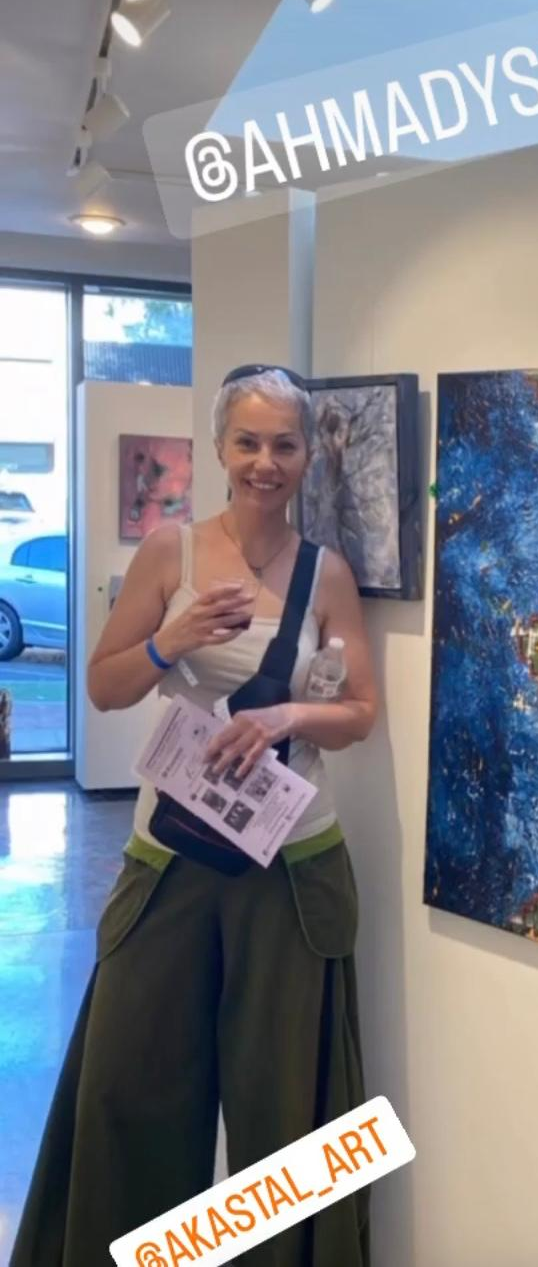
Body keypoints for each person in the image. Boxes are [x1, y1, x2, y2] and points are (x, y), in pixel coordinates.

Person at [11, 364, 378, 1267]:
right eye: (247, 442)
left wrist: (286, 717)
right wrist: (168, 640)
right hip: (169, 857)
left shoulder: (327, 575)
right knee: (130, 1091)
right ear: (218, 447)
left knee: (286, 1115)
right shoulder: (169, 553)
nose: (265, 462)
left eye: (284, 445)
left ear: (306, 456)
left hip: (292, 868)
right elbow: (104, 688)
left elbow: (360, 713)